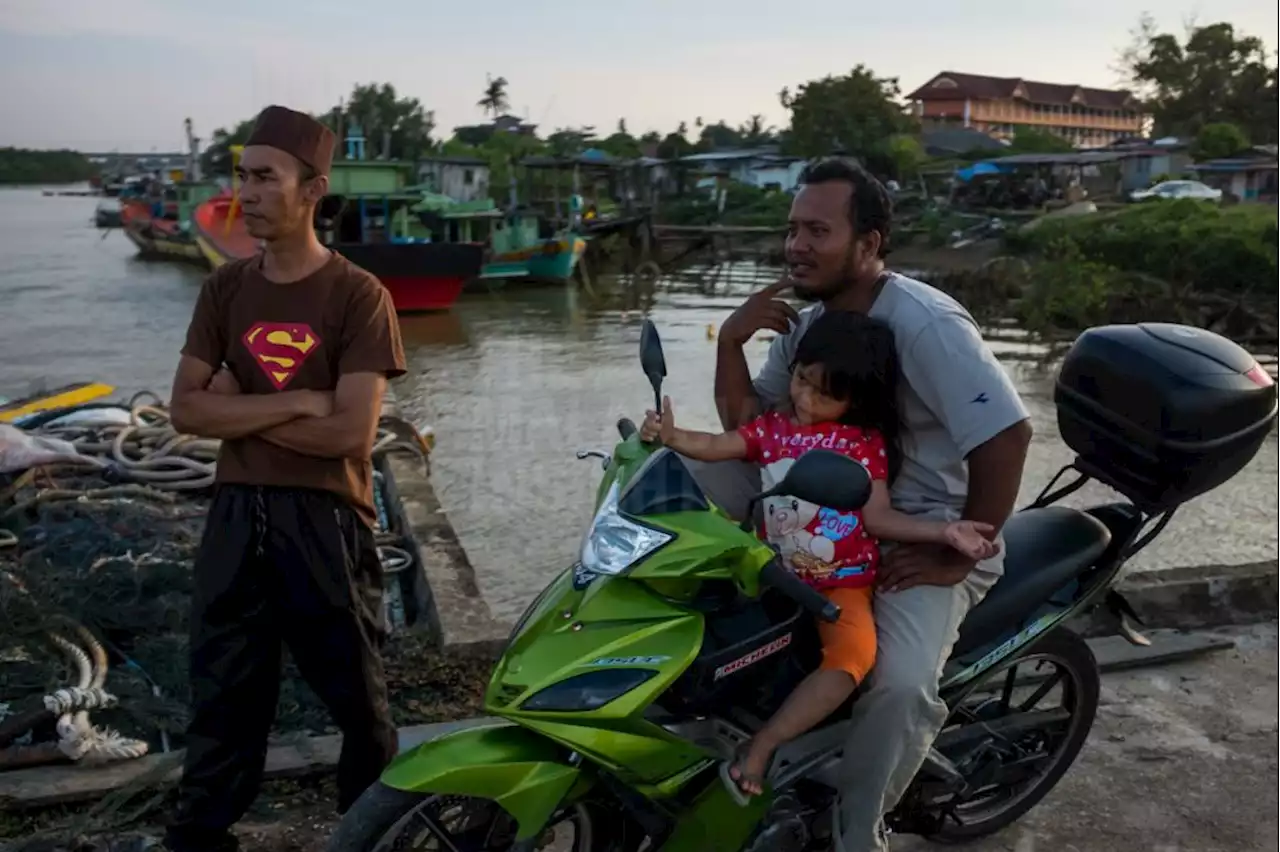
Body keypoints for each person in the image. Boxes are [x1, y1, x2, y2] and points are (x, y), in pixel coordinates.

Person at [703, 157, 1033, 852]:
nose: (796, 246)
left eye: (817, 231)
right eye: (792, 229)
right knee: (682, 472)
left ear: (870, 243)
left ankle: (860, 832)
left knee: (900, 685)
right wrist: (732, 338)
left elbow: (1007, 434)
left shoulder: (926, 324)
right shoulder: (808, 322)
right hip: (819, 504)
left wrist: (958, 551)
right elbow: (750, 427)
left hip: (916, 528)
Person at [160, 105, 404, 852]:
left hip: (325, 520)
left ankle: (369, 828)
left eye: (266, 177)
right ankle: (200, 835)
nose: (248, 191)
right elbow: (184, 413)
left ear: (312, 190)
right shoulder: (225, 291)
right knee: (224, 684)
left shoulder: (359, 297)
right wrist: (299, 396)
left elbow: (349, 434)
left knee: (357, 696)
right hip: (236, 514)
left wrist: (242, 404)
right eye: (243, 176)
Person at [639, 309, 999, 804]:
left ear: (854, 401)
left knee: (854, 657)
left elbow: (878, 518)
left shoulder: (861, 445)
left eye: (824, 393)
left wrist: (945, 530)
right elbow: (717, 444)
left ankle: (764, 745)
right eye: (801, 380)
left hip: (839, 582)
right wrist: (672, 436)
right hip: (768, 571)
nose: (805, 399)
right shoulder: (773, 429)